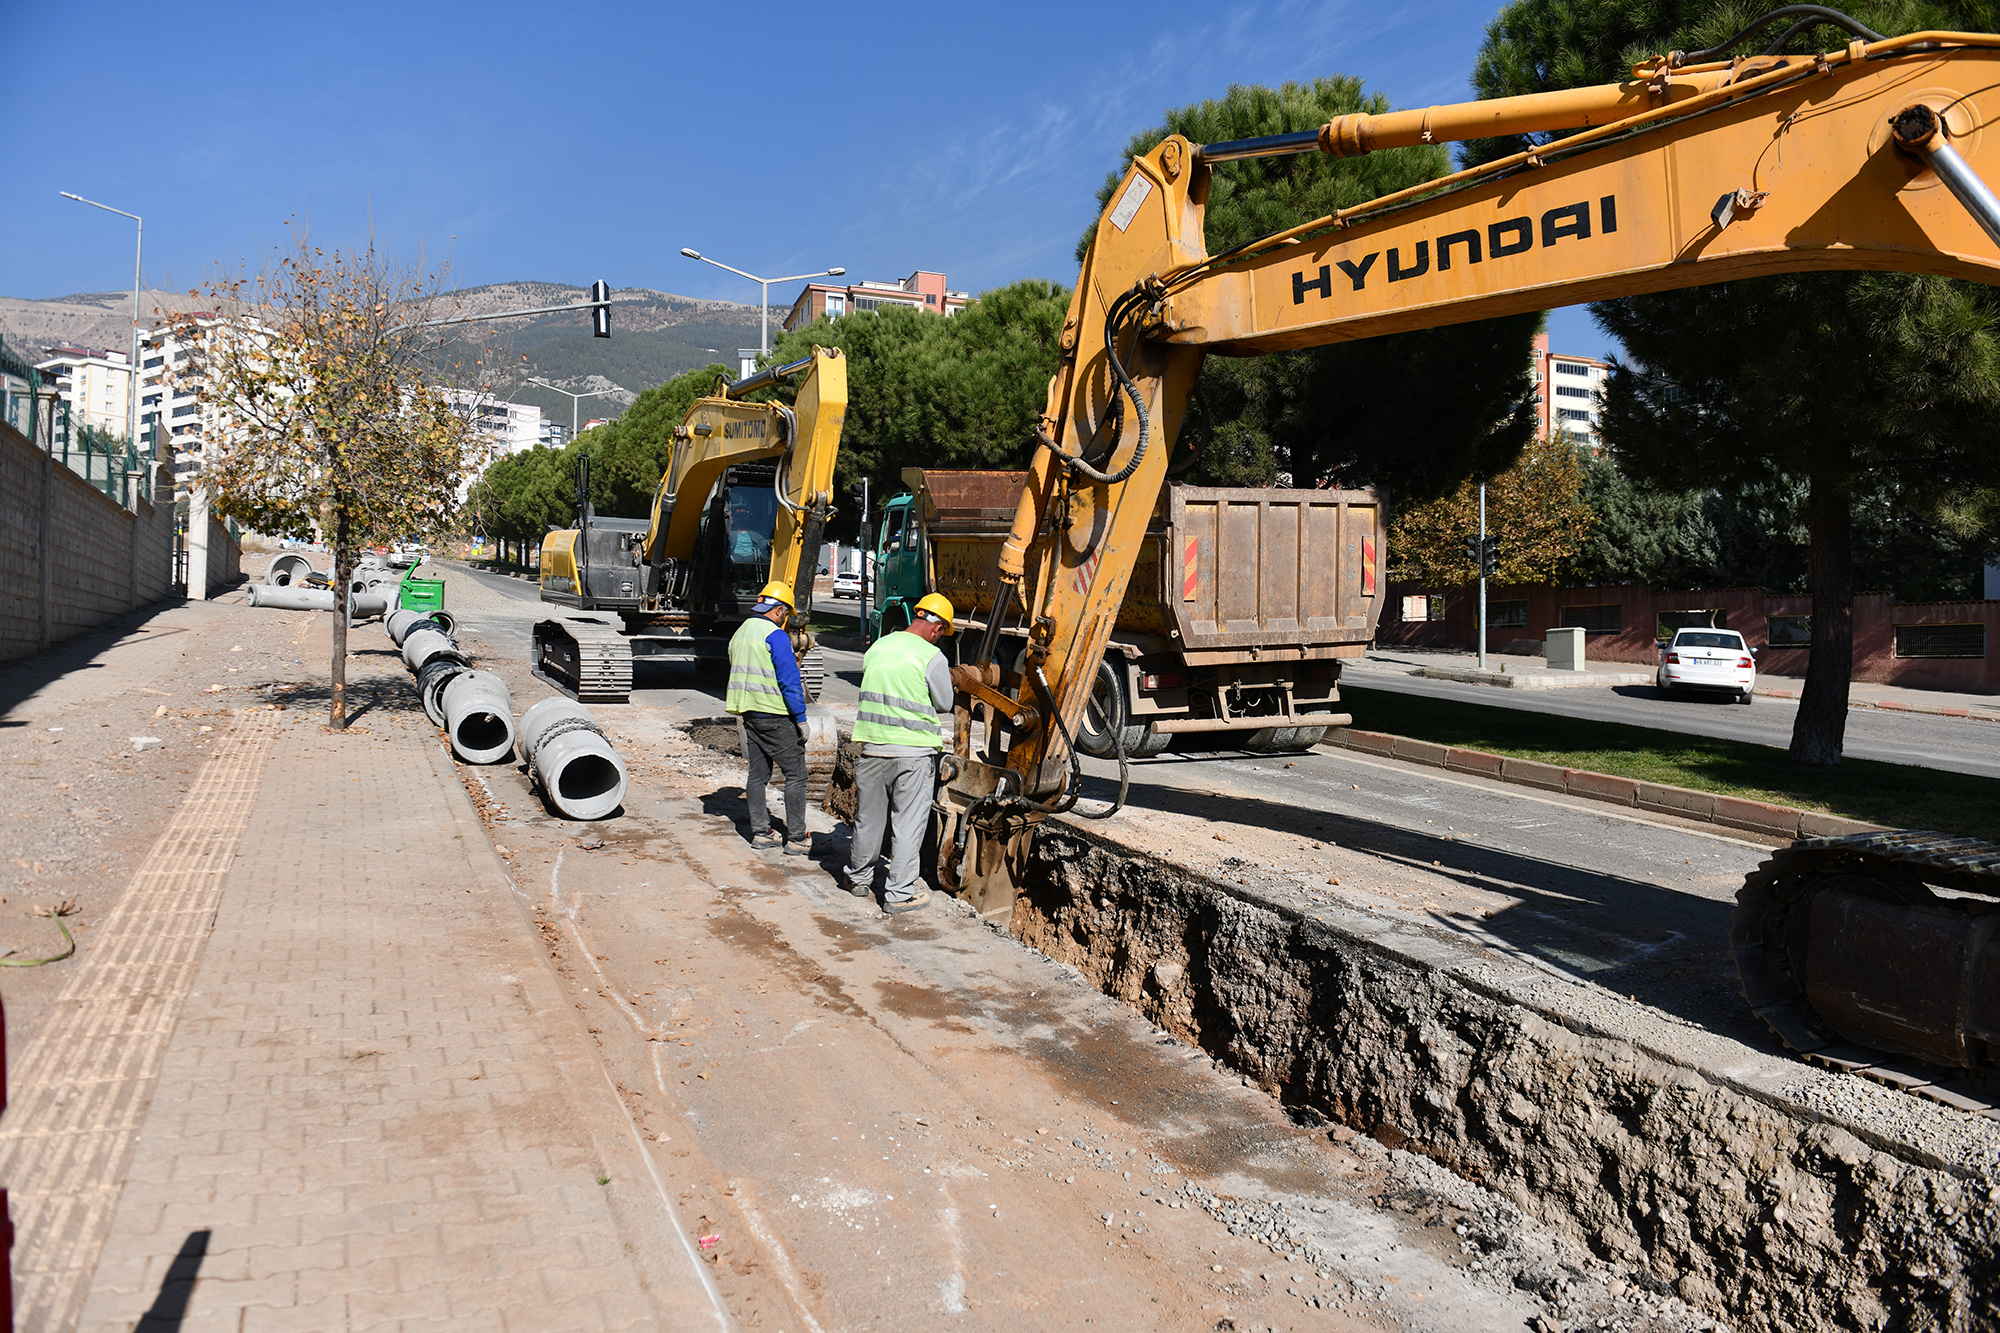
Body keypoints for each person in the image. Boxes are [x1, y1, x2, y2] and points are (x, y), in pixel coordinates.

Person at [841, 593, 955, 914]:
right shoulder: (932, 656)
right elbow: (945, 703)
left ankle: (859, 879)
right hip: (913, 755)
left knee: (868, 819)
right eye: (943, 634)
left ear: (917, 615)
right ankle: (899, 894)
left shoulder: (878, 647)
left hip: (873, 749)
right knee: (907, 824)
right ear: (937, 629)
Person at [725, 580, 811, 855]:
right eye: (786, 614)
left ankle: (762, 833)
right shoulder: (775, 636)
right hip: (774, 714)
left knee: (758, 774)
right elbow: (789, 680)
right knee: (796, 773)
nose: (785, 620)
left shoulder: (740, 633)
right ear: (778, 610)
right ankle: (797, 838)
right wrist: (800, 717)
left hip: (749, 713)